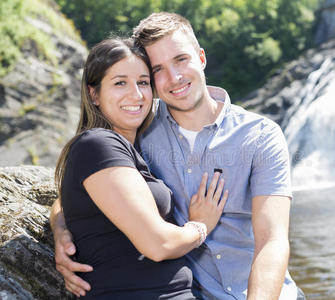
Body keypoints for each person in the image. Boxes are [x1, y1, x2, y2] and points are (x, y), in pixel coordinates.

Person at [52, 12, 306, 300]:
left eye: (181, 59)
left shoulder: (260, 136)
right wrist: (61, 231)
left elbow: (272, 242)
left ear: (201, 57)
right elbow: (86, 184)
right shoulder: (138, 122)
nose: (173, 78)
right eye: (158, 69)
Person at [52, 37, 228, 299]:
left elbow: (71, 201)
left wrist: (60, 228)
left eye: (143, 82)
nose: (136, 95)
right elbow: (159, 245)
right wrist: (200, 226)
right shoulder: (98, 144)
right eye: (120, 82)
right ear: (94, 93)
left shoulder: (131, 148)